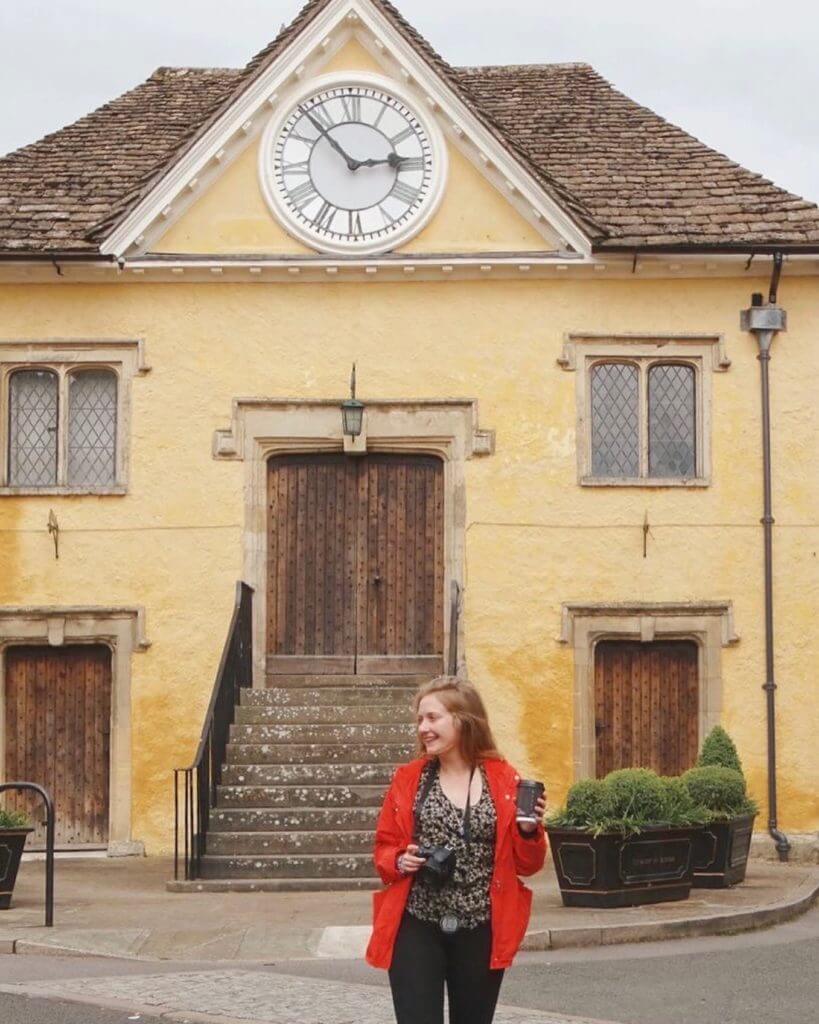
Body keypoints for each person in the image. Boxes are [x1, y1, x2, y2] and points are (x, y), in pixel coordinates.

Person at [366, 675, 548, 1024]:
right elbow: (384, 850)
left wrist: (528, 831)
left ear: (463, 720)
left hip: (480, 928)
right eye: (420, 719)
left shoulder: (504, 780)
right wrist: (401, 860)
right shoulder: (409, 778)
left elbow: (528, 865)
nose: (423, 728)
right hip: (417, 924)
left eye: (433, 718)